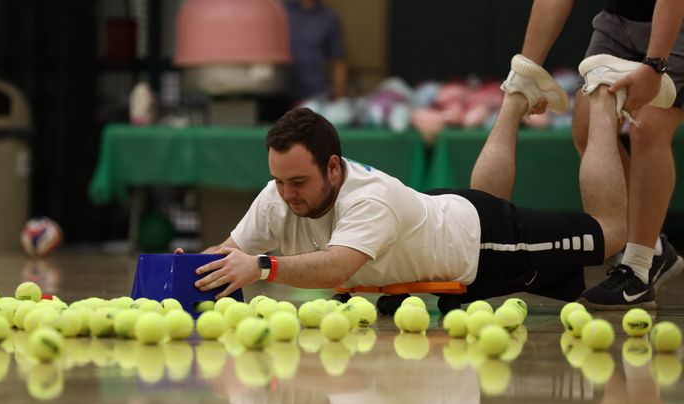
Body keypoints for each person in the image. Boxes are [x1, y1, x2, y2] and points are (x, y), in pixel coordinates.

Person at [188, 57, 648, 310]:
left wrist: (263, 267)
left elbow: (334, 269)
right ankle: (515, 96)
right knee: (485, 200)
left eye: (298, 182)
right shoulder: (279, 195)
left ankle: (603, 93)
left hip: (484, 243)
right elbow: (232, 251)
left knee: (609, 234)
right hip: (433, 220)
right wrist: (189, 271)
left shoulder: (369, 201)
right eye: (279, 181)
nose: (287, 195)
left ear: (332, 167)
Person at [506, 0, 684, 309]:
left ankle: (638, 270)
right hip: (618, 20)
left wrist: (655, 65)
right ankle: (653, 250)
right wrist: (526, 72)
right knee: (590, 128)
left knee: (648, 126)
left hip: (677, 20)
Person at [284, 0, 347, 102]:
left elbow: (338, 61)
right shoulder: (282, 11)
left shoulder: (328, 17)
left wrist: (338, 99)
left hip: (315, 94)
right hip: (281, 92)